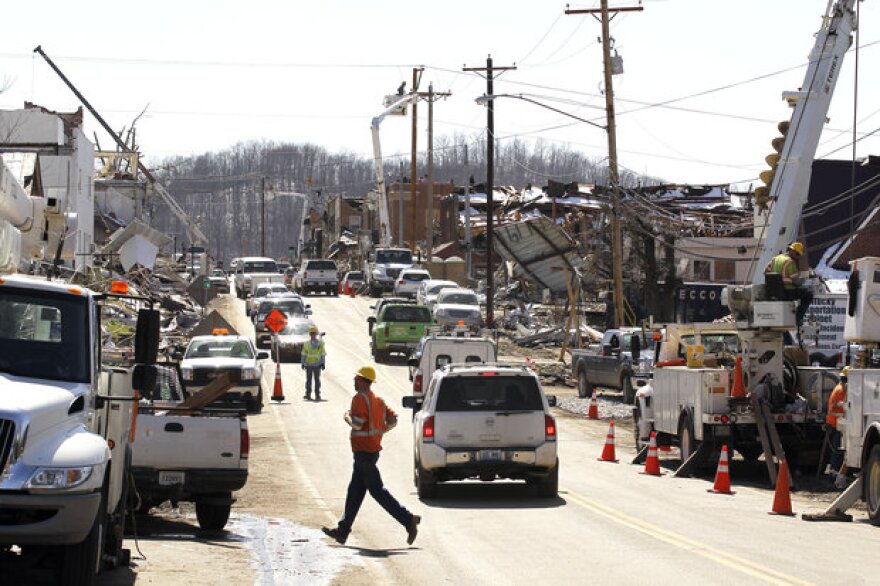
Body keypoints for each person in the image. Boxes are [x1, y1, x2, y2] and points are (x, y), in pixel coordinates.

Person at [322, 366, 421, 546]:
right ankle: (343, 531)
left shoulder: (359, 399)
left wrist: (347, 417)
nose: (354, 381)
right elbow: (393, 420)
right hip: (370, 452)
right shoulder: (379, 401)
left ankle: (408, 519)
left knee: (377, 492)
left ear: (363, 381)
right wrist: (380, 431)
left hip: (364, 454)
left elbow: (357, 425)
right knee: (355, 492)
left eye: (356, 379)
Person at [764, 241, 814, 326]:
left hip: (773, 292)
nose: (798, 257)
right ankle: (797, 319)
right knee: (808, 295)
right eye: (797, 254)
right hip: (787, 292)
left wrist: (777, 281)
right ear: (792, 251)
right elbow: (797, 282)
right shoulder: (790, 262)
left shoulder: (775, 259)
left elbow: (765, 272)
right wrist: (804, 276)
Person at [827, 366, 849, 486]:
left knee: (837, 451)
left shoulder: (838, 388)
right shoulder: (843, 391)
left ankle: (834, 474)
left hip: (834, 423)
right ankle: (834, 476)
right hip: (838, 424)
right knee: (838, 452)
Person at [301, 326, 325, 401]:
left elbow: (322, 354)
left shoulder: (320, 343)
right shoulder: (306, 344)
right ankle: (308, 394)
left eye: (314, 334)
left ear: (316, 334)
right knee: (308, 380)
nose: (313, 335)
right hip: (309, 365)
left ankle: (317, 394)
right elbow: (304, 354)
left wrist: (323, 363)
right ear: (310, 334)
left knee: (317, 380)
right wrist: (303, 363)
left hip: (317, 365)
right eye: (312, 334)